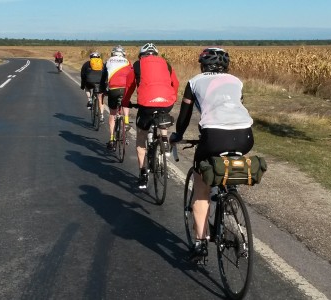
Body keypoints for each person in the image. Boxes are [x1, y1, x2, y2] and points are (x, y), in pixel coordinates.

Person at [168, 47, 254, 261]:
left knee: (201, 188)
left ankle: (200, 242)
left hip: (214, 135)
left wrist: (178, 135)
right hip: (245, 135)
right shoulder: (236, 81)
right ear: (226, 66)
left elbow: (185, 114)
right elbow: (235, 107)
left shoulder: (194, 82)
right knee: (228, 165)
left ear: (202, 64)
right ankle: (230, 195)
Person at [122, 43, 179, 189]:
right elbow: (175, 83)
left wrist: (126, 102)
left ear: (141, 55)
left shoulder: (137, 65)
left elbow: (129, 86)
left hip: (147, 104)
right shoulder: (166, 64)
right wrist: (172, 98)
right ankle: (164, 140)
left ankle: (143, 173)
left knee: (141, 136)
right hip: (167, 102)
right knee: (162, 114)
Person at [101, 45, 133, 150]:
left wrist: (103, 90)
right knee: (126, 102)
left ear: (113, 53)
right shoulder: (128, 62)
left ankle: (111, 139)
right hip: (125, 88)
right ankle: (127, 121)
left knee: (112, 113)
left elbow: (103, 78)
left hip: (113, 89)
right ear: (123, 54)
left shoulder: (108, 61)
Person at [80, 51, 106, 120]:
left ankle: (89, 99)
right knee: (101, 99)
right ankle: (102, 116)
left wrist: (82, 85)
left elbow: (83, 75)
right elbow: (106, 74)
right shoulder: (102, 64)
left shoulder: (86, 64)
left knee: (87, 87)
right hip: (100, 83)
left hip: (89, 82)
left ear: (90, 57)